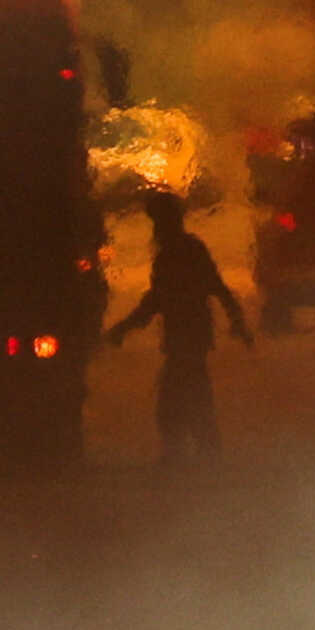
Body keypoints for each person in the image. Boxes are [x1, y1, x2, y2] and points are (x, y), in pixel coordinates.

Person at [107, 190, 251, 460]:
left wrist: (123, 328)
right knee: (192, 395)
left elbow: (158, 300)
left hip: (186, 337)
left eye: (157, 221)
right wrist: (237, 321)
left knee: (176, 401)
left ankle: (188, 456)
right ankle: (203, 453)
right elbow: (215, 289)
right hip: (191, 337)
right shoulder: (187, 249)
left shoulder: (176, 253)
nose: (155, 228)